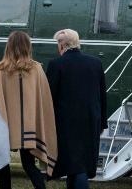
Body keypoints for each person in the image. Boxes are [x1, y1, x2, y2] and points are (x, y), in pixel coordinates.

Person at [0, 31, 57, 189]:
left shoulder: (0, 70)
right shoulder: (36, 69)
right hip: (30, 127)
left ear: (9, 46)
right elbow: (44, 102)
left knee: (3, 164)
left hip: (6, 126)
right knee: (28, 164)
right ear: (28, 46)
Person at [46, 29, 107, 189]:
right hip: (90, 120)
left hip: (66, 123)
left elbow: (49, 97)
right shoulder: (95, 63)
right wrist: (102, 123)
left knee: (75, 165)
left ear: (61, 45)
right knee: (80, 164)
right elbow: (102, 95)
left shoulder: (55, 64)